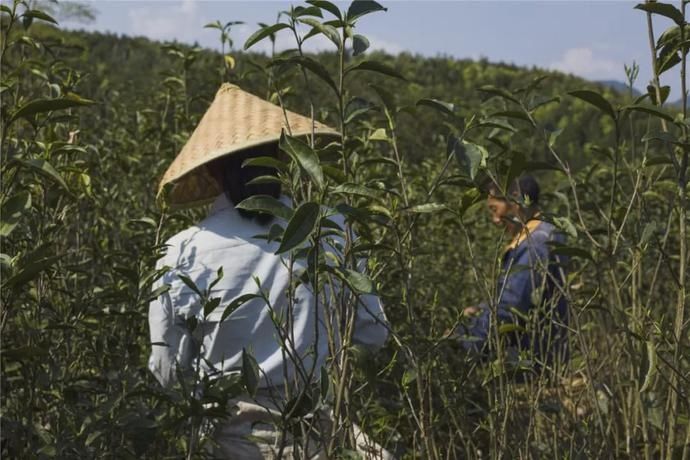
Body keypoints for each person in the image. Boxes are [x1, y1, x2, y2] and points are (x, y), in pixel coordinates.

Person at [148, 84, 391, 459]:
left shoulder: (183, 250)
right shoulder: (332, 228)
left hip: (228, 440)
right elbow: (373, 333)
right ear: (282, 155)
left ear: (212, 168)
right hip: (315, 434)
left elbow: (167, 371)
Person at [458, 175, 569, 374]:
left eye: (495, 209)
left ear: (516, 200)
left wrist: (466, 343)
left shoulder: (535, 245)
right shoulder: (545, 232)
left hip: (533, 360)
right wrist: (480, 309)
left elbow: (510, 307)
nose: (495, 220)